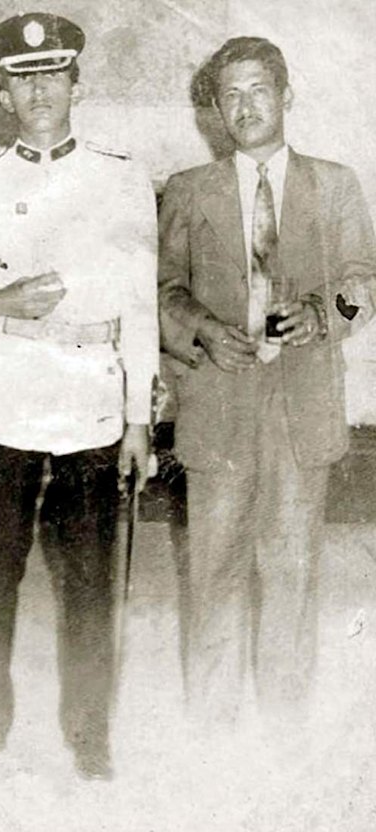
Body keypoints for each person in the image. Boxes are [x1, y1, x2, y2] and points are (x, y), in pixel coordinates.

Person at [0, 12, 158, 780]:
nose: (38, 90)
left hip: (93, 409)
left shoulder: (122, 177)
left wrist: (138, 421)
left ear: (76, 83)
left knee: (89, 584)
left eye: (52, 74)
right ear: (2, 93)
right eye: (22, 78)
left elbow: (140, 307)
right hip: (5, 403)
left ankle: (89, 735)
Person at [158, 37, 376, 730]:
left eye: (257, 89)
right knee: (213, 575)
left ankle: (282, 737)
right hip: (217, 408)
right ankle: (211, 738)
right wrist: (199, 328)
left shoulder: (335, 183)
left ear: (286, 95)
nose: (244, 105)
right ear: (215, 110)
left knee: (291, 577)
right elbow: (160, 290)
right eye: (231, 95)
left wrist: (321, 316)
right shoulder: (189, 190)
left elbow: (362, 285)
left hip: (300, 411)